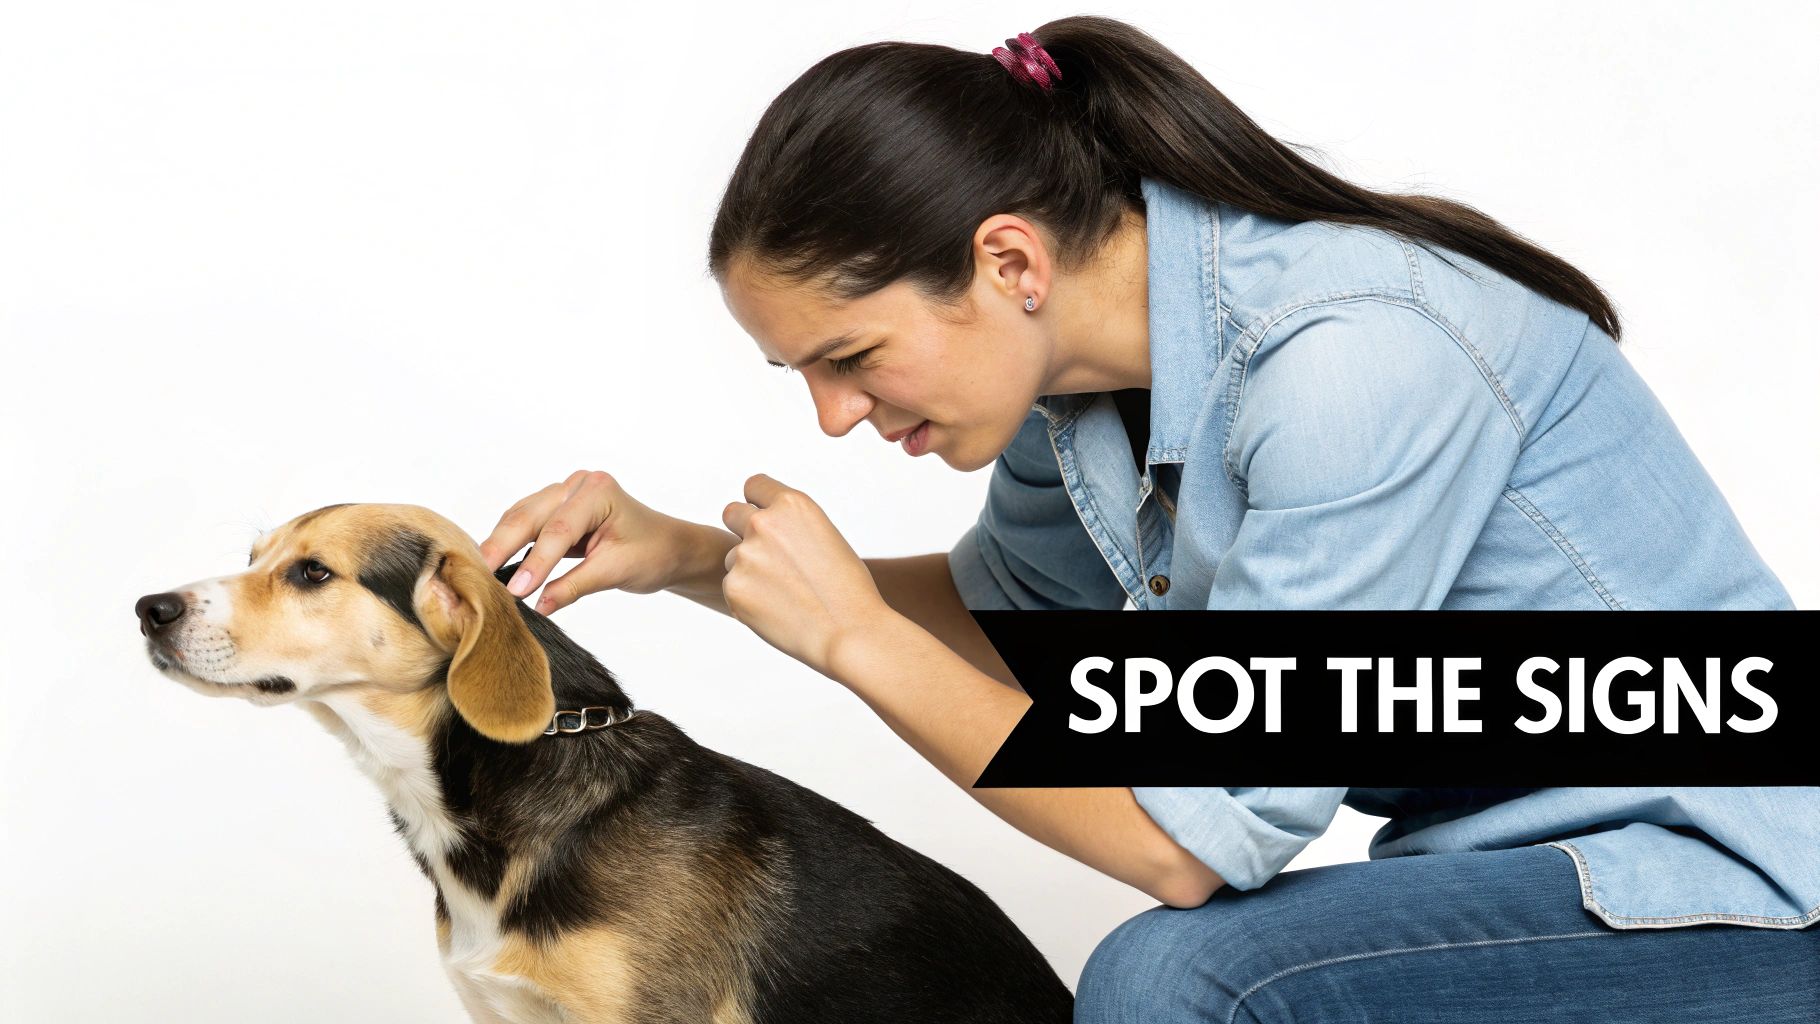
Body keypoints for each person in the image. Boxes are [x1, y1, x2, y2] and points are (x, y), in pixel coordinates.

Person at [480, 16, 1818, 1022]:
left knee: (1186, 984)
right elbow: (1012, 627)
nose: (835, 416)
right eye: (805, 378)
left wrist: (856, 646)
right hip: (1540, 865)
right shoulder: (1084, 392)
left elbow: (1191, 845)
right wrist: (693, 561)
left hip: (1742, 869)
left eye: (854, 354)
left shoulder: (1352, 360)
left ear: (1008, 261)